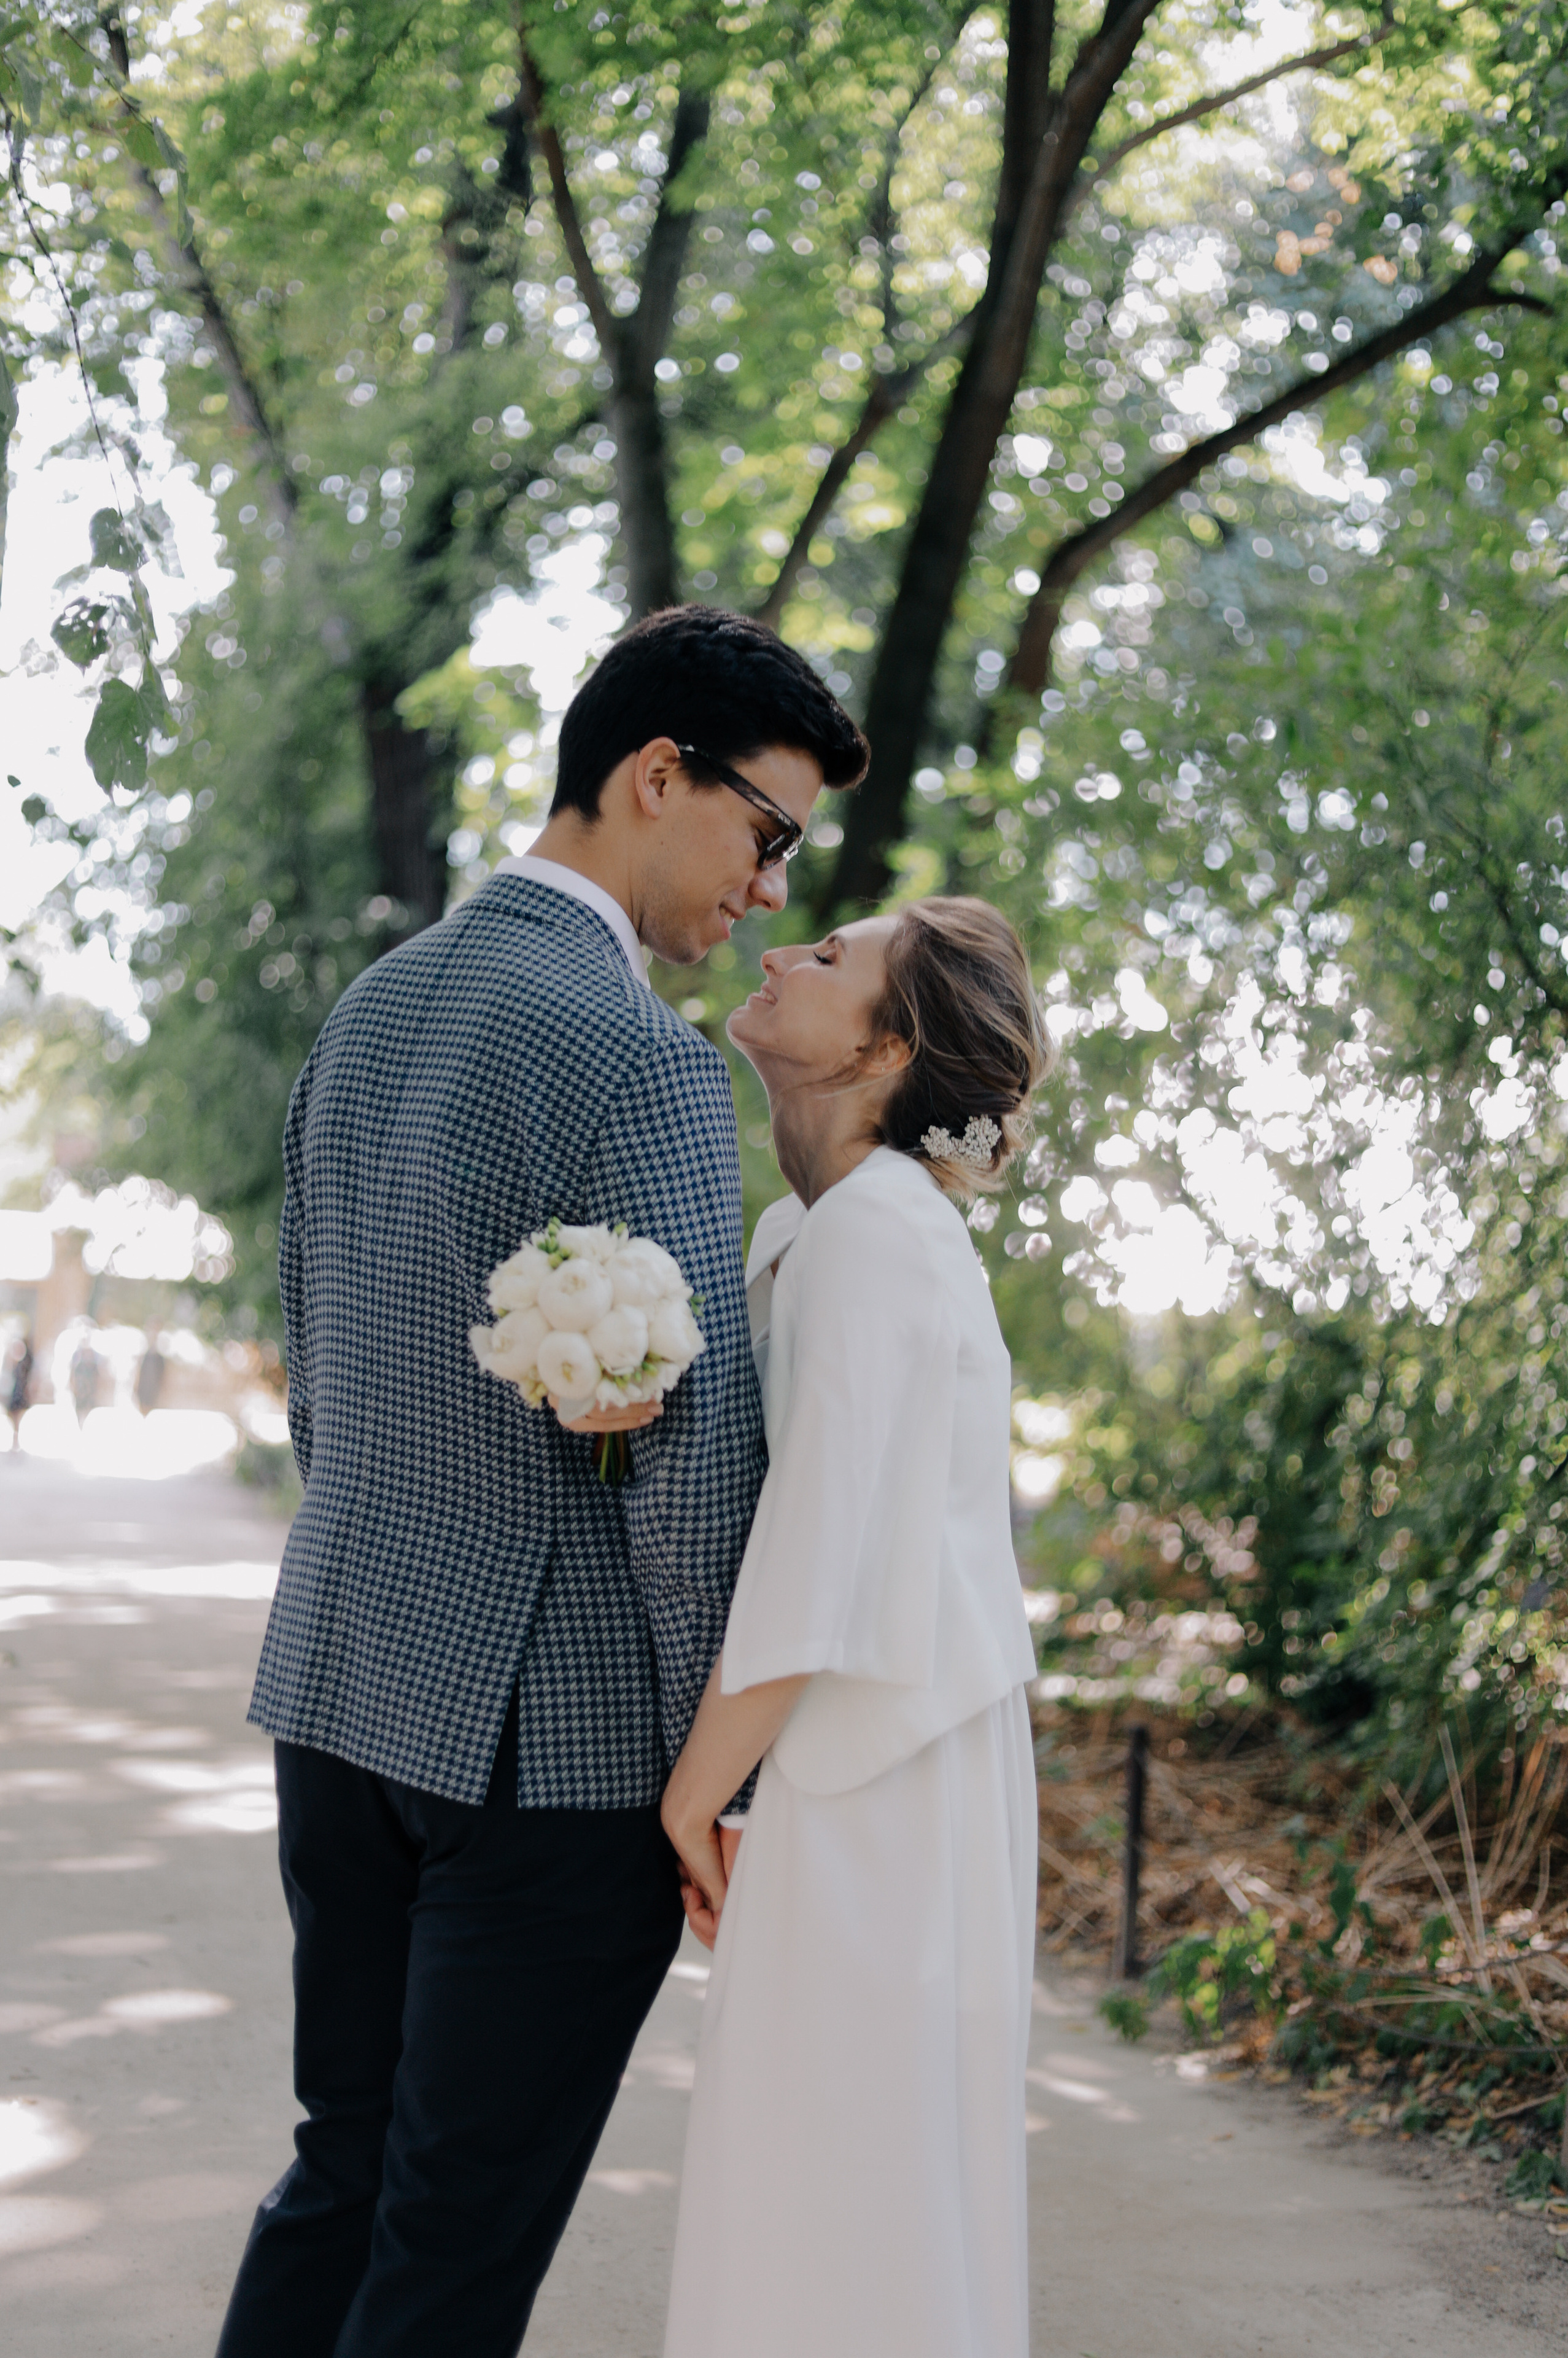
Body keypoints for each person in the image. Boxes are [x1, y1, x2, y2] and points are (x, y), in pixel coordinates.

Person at [214, 606, 866, 2358]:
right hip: (550, 1754)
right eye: (770, 833)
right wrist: (714, 1777)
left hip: (339, 1693)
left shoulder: (377, 1004)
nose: (773, 890)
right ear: (660, 775)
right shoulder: (640, 1053)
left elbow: (319, 1351)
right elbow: (691, 1472)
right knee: (451, 2251)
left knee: (338, 2174)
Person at [662, 896, 1050, 2358]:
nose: (777, 949)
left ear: (886, 1047)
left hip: (884, 1773)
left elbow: (818, 1546)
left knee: (846, 2171)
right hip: (862, 1760)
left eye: (828, 956)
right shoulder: (821, 1225)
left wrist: (695, 1793)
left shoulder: (881, 1232)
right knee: (829, 2168)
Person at [4, 1332, 33, 1452]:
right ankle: (15, 1435)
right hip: (10, 1392)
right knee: (11, 1414)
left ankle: (16, 1437)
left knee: (18, 1414)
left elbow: (29, 1378)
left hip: (20, 1392)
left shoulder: (25, 1363)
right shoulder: (9, 1362)